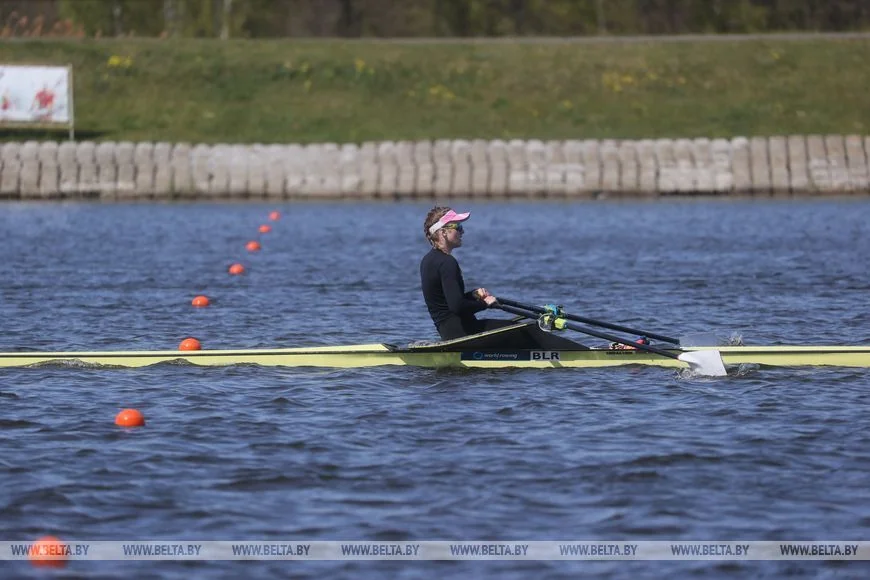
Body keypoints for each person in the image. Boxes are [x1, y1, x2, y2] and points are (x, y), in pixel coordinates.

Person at [419, 206, 587, 349]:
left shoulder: (428, 260)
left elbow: (447, 302)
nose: (463, 232)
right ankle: (586, 355)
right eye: (458, 227)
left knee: (519, 329)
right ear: (443, 232)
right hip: (464, 334)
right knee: (528, 329)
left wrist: (472, 295)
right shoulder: (448, 263)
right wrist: (484, 303)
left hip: (452, 332)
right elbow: (456, 306)